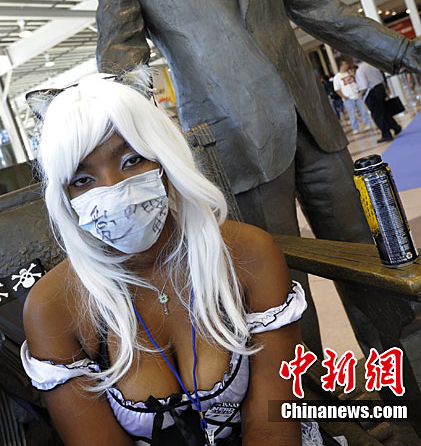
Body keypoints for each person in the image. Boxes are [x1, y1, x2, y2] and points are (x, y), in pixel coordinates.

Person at [94, 0, 421, 354]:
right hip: (235, 148)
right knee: (279, 292)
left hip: (315, 127)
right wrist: (135, 160)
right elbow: (123, 65)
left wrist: (405, 51)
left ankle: (400, 383)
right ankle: (314, 403)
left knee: (372, 263)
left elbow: (321, 11)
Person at [20, 69, 328, 446]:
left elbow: (273, 424)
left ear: (165, 160)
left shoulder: (248, 255)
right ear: (65, 198)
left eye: (132, 160)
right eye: (82, 180)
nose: (115, 190)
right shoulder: (54, 306)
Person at [354, 59, 401, 143]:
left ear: (355, 62)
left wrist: (360, 94)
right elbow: (381, 78)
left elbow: (364, 85)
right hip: (380, 88)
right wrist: (385, 90)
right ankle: (395, 126)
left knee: (377, 115)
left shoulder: (360, 70)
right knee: (384, 111)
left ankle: (386, 134)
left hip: (371, 93)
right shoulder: (372, 65)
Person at [333, 58, 371, 134]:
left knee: (363, 111)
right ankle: (355, 128)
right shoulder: (337, 77)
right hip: (348, 98)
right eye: (345, 64)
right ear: (341, 66)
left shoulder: (349, 73)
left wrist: (353, 75)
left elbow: (358, 81)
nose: (347, 65)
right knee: (352, 114)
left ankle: (367, 124)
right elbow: (337, 89)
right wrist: (344, 97)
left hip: (357, 95)